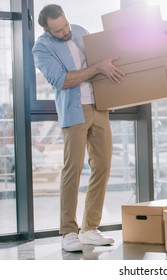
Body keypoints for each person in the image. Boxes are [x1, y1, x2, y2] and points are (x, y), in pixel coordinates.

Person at [32, 4, 125, 252]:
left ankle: (89, 228)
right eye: (59, 30)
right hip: (75, 110)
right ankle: (68, 232)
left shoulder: (81, 31)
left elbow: (102, 59)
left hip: (100, 106)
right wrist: (98, 68)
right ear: (46, 29)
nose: (66, 32)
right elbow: (62, 80)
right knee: (72, 170)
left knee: (103, 166)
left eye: (66, 25)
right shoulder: (41, 48)